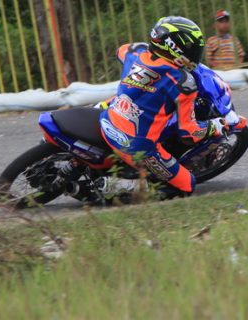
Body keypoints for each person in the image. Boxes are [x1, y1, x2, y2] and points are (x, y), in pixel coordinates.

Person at [97, 16, 228, 200]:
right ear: (174, 47)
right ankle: (118, 186)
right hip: (137, 146)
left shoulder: (134, 51)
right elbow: (189, 133)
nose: (195, 54)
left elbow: (120, 50)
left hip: (108, 120)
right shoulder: (183, 81)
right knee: (187, 185)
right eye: (192, 49)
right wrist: (215, 126)